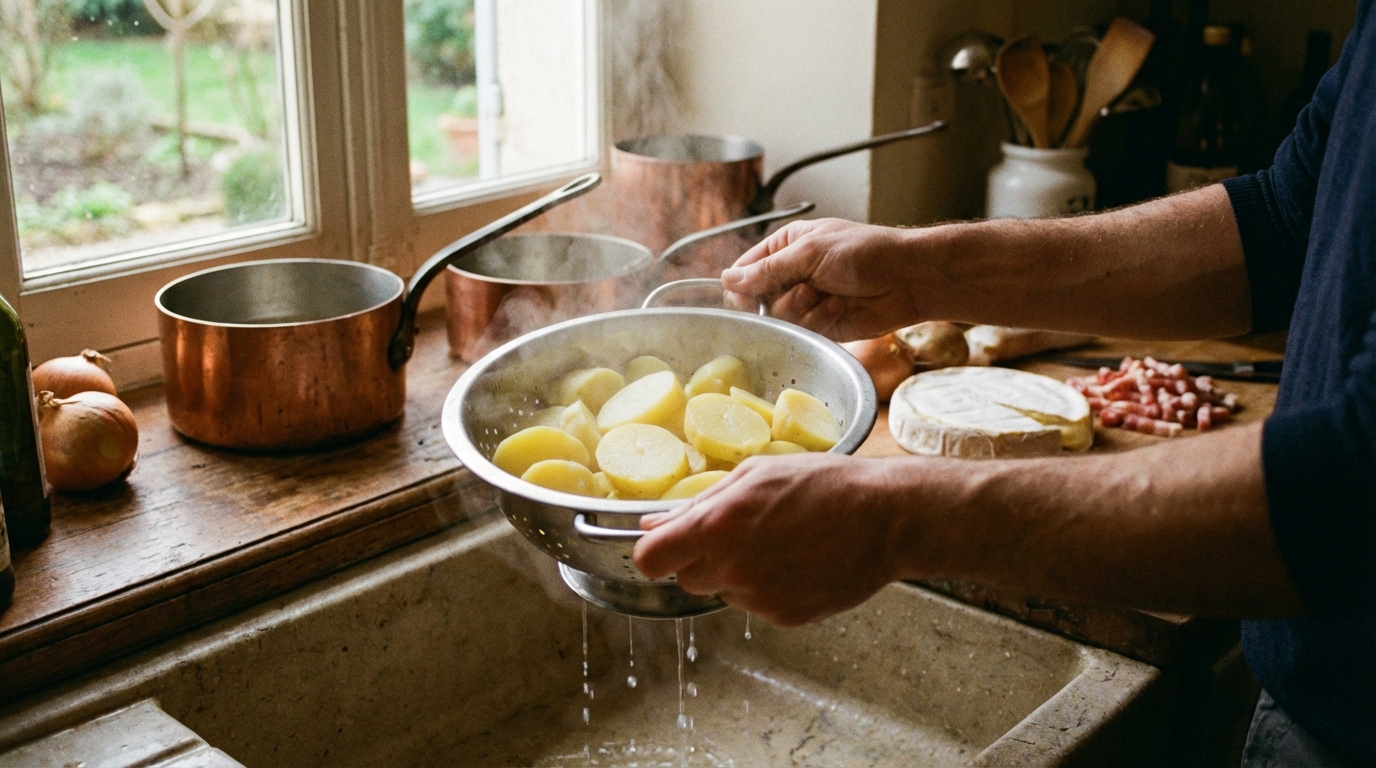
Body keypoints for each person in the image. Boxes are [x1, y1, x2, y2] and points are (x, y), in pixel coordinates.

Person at [633, 4, 1376, 765]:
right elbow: (1285, 221)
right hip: (1314, 689)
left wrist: (891, 523)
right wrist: (926, 270)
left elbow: (1355, 489)